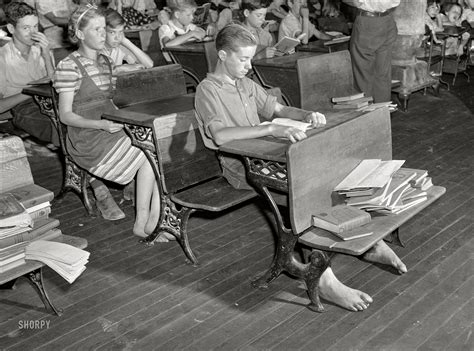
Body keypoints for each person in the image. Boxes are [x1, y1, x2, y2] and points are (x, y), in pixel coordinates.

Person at [195, 24, 407, 311]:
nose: (249, 65)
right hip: (241, 167)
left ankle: (366, 243)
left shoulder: (244, 83)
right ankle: (324, 281)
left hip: (268, 158)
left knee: (332, 171)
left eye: (250, 58)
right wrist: (269, 128)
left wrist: (305, 114)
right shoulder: (208, 89)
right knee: (306, 190)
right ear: (222, 55)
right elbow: (220, 135)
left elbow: (279, 110)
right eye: (243, 59)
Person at [53, 4, 172, 240]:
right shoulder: (68, 66)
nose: (102, 35)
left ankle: (151, 222)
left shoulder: (106, 62)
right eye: (96, 30)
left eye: (103, 29)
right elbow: (65, 116)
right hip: (87, 139)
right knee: (152, 154)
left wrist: (125, 122)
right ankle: (144, 222)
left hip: (111, 130)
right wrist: (101, 125)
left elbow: (108, 104)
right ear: (79, 33)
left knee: (162, 149)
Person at [0, 2, 58, 146]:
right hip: (21, 107)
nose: (33, 33)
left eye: (35, 26)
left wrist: (46, 54)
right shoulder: (2, 58)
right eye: (26, 28)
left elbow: (55, 83)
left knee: (79, 113)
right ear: (11, 28)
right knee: (58, 124)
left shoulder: (42, 50)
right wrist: (31, 92)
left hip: (49, 100)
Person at [342, 0, 400, 104]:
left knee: (362, 72)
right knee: (382, 73)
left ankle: (366, 114)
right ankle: (382, 113)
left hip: (368, 21)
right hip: (387, 20)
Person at [102, 8, 153, 72]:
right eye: (112, 32)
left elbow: (149, 65)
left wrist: (126, 42)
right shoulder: (96, 47)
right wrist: (121, 68)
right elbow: (102, 72)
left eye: (120, 32)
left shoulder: (120, 46)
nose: (117, 37)